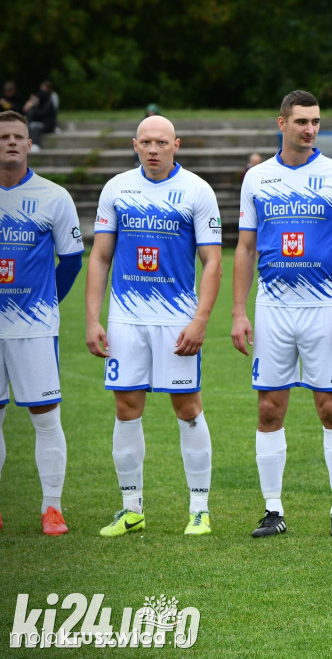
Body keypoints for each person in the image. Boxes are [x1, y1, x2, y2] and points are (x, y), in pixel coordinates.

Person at [231, 90, 332, 539]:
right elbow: (245, 248)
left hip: (324, 309)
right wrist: (238, 312)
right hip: (272, 310)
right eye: (302, 121)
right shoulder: (257, 178)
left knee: (331, 407)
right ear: (281, 123)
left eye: (316, 122)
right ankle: (273, 509)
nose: (310, 129)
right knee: (269, 408)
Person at [85, 115, 222, 537]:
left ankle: (199, 510)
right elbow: (101, 258)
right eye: (146, 142)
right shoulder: (117, 189)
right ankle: (131, 509)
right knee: (126, 409)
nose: (153, 149)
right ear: (135, 144)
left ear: (175, 144)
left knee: (187, 407)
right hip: (126, 319)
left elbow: (213, 260)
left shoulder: (197, 190)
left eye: (161, 142)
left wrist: (200, 320)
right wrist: (92, 318)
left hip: (176, 319)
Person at [0, 110, 83, 536]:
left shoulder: (54, 197)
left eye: (19, 136)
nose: (11, 142)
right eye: (4, 136)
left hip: (33, 328)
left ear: (30, 144)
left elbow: (71, 260)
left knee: (45, 416)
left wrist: (44, 303)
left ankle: (52, 507)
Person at [22, 81, 58, 151]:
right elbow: (30, 114)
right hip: (41, 123)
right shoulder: (41, 104)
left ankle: (35, 145)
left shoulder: (48, 104)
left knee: (34, 127)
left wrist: (33, 106)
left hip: (48, 125)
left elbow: (40, 114)